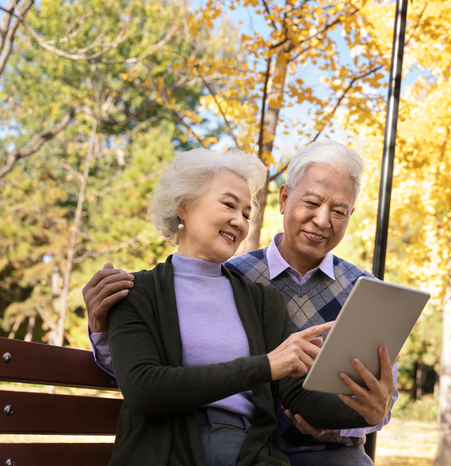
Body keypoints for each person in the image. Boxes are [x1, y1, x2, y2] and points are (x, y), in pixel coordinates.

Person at [85, 141, 398, 466]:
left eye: (246, 213)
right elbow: (143, 387)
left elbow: (297, 396)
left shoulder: (260, 299)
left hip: (254, 454)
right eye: (229, 205)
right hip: (170, 449)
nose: (240, 221)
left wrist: (367, 409)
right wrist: (265, 365)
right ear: (184, 206)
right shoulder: (138, 291)